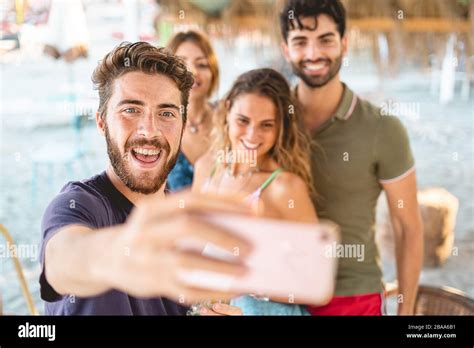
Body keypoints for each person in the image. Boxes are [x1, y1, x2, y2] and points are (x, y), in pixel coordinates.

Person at [39, 42, 252, 316]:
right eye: (131, 110)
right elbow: (65, 260)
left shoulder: (180, 217)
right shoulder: (77, 206)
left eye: (166, 113)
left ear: (182, 126)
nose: (149, 131)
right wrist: (117, 253)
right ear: (102, 121)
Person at [280, 0, 424, 315]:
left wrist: (407, 312)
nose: (313, 53)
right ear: (286, 49)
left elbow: (407, 228)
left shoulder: (382, 128)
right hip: (276, 293)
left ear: (344, 44)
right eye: (300, 42)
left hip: (351, 298)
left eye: (326, 40)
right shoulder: (268, 121)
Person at [193, 68, 318, 315]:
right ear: (227, 109)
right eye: (243, 120)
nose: (252, 135)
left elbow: (315, 282)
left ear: (280, 126)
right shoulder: (206, 167)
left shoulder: (285, 187)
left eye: (266, 125)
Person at [165, 30, 220, 191]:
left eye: (202, 65)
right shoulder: (157, 126)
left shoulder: (230, 119)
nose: (193, 72)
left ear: (213, 73)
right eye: (182, 64)